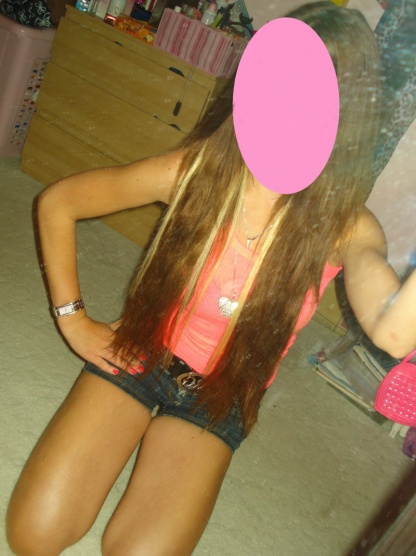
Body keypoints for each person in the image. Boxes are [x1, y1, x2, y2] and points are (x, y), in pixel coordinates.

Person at [6, 2, 416, 555]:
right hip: (143, 349)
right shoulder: (196, 169)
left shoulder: (347, 225)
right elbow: (59, 201)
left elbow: (393, 330)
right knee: (32, 535)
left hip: (220, 396)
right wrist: (73, 321)